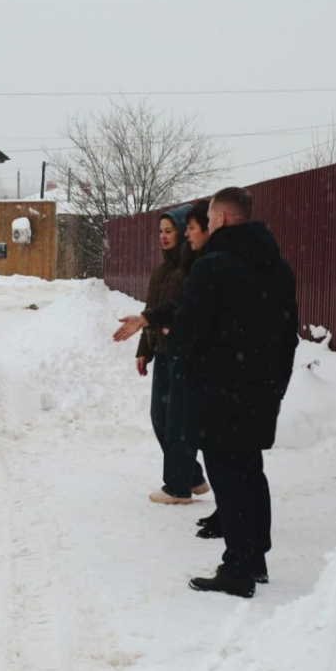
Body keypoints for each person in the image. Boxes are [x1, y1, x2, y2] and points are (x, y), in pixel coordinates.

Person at [118, 186, 297, 598]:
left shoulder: (214, 266)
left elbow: (188, 330)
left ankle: (237, 569)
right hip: (260, 391)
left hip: (219, 392)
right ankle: (255, 559)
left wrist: (170, 334)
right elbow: (288, 335)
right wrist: (152, 316)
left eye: (211, 218)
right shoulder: (277, 267)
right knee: (250, 473)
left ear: (222, 219)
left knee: (228, 477)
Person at [135, 202, 210, 504]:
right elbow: (150, 313)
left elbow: (183, 311)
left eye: (170, 231)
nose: (163, 236)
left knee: (176, 421)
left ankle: (178, 486)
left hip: (184, 356)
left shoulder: (191, 268)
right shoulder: (161, 271)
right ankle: (192, 476)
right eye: (160, 232)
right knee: (159, 417)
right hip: (163, 354)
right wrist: (144, 350)